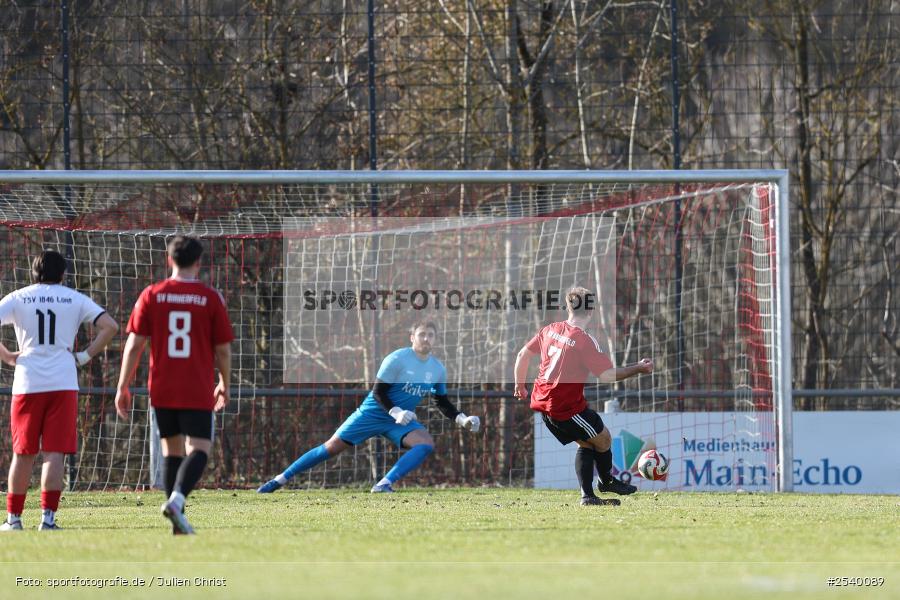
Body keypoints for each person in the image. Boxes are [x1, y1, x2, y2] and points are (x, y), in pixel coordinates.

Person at [258, 320, 481, 494]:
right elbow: (378, 392)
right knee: (330, 448)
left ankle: (383, 484)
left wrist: (463, 419)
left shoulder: (437, 368)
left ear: (436, 339)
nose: (426, 339)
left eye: (430, 335)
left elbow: (440, 400)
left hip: (398, 422)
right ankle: (279, 480)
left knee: (425, 443)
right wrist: (396, 411)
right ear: (412, 337)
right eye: (422, 334)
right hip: (374, 412)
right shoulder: (397, 359)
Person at [115, 236, 234, 534]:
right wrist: (224, 382)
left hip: (163, 388)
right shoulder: (209, 298)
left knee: (172, 451)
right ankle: (177, 501)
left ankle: (177, 522)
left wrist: (123, 386)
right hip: (195, 387)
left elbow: (134, 346)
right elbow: (223, 349)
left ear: (169, 260)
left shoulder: (151, 294)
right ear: (198, 262)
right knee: (201, 449)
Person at [0, 250, 119, 531]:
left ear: (34, 273)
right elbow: (110, 326)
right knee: (55, 452)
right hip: (64, 382)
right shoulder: (73, 298)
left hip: (27, 382)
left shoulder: (19, 297)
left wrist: (6, 356)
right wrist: (83, 356)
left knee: (23, 452)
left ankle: (13, 519)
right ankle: (48, 520)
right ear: (63, 274)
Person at [514, 286, 653, 506]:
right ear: (591, 311)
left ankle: (588, 497)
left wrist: (520, 386)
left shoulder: (550, 329)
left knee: (588, 444)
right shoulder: (584, 341)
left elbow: (523, 354)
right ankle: (606, 482)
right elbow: (607, 375)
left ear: (568, 307)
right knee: (604, 438)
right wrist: (638, 367)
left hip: (544, 404)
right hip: (565, 408)